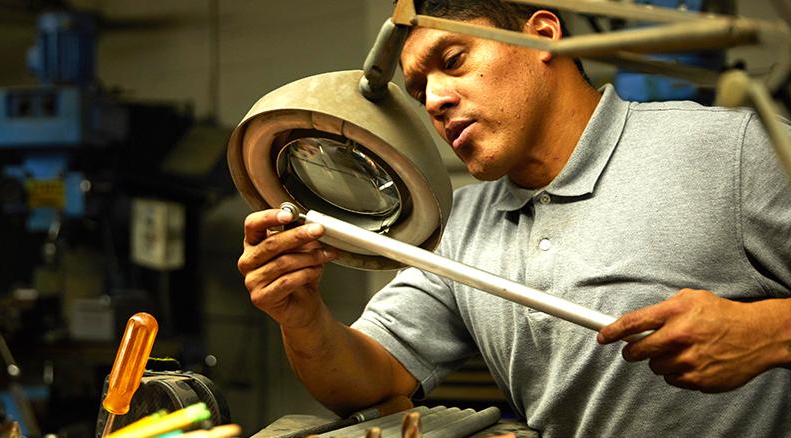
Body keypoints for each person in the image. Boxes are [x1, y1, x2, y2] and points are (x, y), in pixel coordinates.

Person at [237, 1, 791, 436]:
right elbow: (366, 379)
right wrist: (302, 315)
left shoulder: (732, 149)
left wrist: (767, 333)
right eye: (418, 88)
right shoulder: (461, 224)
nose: (434, 100)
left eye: (453, 62)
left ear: (542, 37)